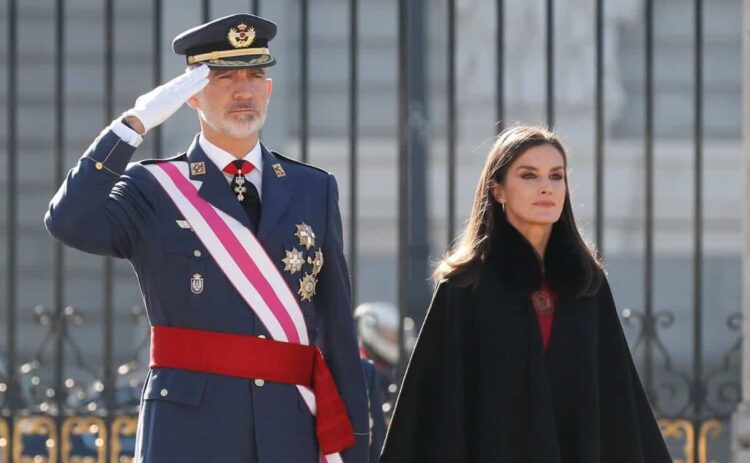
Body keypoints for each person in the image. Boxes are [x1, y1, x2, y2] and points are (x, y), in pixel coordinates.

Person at [45, 13, 369, 463]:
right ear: (191, 95)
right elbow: (68, 221)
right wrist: (132, 126)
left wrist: (354, 450)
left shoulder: (313, 187)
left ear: (269, 90)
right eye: (224, 77)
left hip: (289, 429)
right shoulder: (155, 187)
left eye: (255, 75)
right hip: (190, 432)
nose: (243, 90)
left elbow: (335, 325)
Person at [380, 125, 672, 463]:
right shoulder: (465, 287)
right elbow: (435, 412)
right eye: (529, 176)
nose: (546, 187)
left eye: (556, 176)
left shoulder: (586, 285)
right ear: (499, 190)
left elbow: (619, 403)